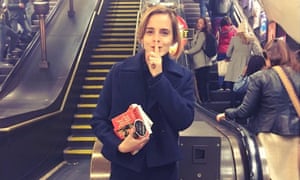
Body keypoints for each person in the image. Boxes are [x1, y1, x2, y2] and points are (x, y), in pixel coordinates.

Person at [90, 5, 195, 180]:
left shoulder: (182, 76)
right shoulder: (119, 72)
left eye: (164, 33)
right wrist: (120, 146)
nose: (156, 39)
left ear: (173, 38)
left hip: (163, 169)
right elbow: (99, 119)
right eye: (150, 32)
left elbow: (183, 120)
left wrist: (159, 79)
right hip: (125, 166)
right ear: (141, 36)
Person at [216, 39, 300, 180]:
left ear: (268, 56)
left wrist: (227, 113)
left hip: (269, 135)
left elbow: (245, 110)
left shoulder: (260, 77)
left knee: (272, 175)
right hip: (295, 135)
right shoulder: (297, 76)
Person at [223, 21, 261, 90]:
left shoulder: (234, 39)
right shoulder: (251, 40)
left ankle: (233, 100)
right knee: (245, 84)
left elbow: (228, 53)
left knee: (233, 85)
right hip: (246, 64)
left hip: (234, 64)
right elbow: (258, 53)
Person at [184, 17, 212, 103]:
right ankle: (204, 99)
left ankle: (206, 100)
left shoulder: (202, 34)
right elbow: (191, 45)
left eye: (201, 23)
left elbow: (197, 47)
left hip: (203, 63)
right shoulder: (196, 33)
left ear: (204, 25)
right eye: (198, 23)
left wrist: (187, 52)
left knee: (203, 83)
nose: (199, 24)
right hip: (198, 63)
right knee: (201, 82)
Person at [215, 16, 237, 90]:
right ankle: (228, 87)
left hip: (221, 51)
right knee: (229, 70)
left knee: (221, 69)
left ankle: (220, 86)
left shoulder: (219, 30)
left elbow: (217, 41)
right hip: (230, 51)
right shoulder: (233, 29)